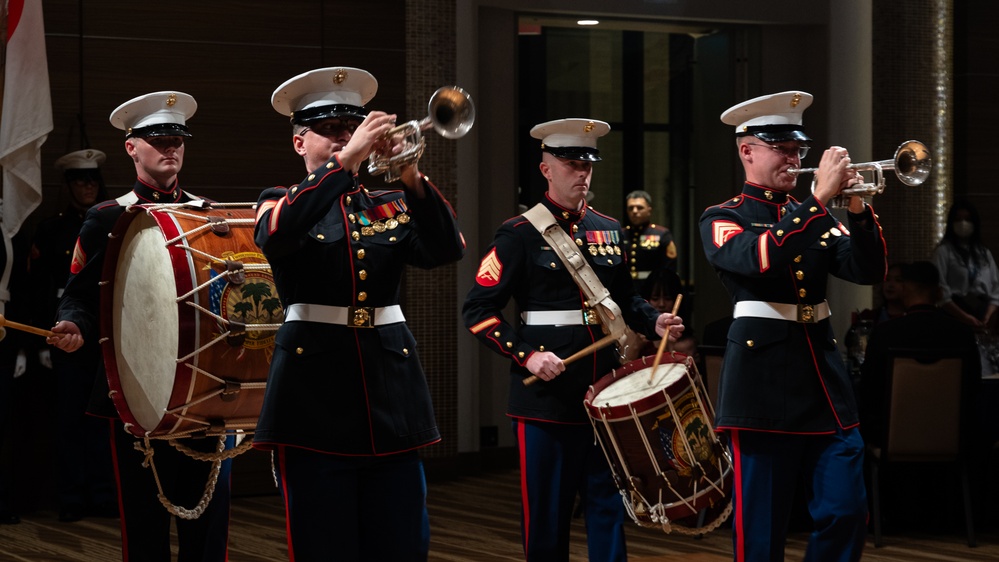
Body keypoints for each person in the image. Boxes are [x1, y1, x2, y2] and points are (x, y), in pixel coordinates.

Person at [252, 67, 464, 560]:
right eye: (329, 132)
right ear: (300, 143)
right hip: (314, 399)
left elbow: (445, 248)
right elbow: (277, 236)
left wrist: (410, 173)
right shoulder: (277, 202)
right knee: (324, 544)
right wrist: (345, 162)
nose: (344, 138)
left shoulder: (387, 202)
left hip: (391, 393)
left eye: (351, 130)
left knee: (403, 542)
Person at [463, 118, 684, 561]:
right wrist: (526, 358)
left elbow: (624, 298)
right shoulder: (519, 234)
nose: (582, 173)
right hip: (546, 398)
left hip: (604, 393)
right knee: (547, 517)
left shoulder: (609, 228)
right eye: (570, 164)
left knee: (608, 509)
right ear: (546, 169)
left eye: (587, 164)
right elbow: (477, 311)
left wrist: (653, 321)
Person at [699, 91, 887, 561]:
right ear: (747, 151)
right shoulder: (723, 217)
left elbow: (868, 272)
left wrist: (859, 210)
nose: (793, 158)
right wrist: (819, 199)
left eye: (798, 149)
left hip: (823, 379)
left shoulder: (816, 216)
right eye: (781, 149)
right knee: (761, 531)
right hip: (760, 383)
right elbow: (760, 258)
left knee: (846, 510)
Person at [47, 92, 233, 561]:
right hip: (135, 391)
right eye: (159, 140)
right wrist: (72, 322)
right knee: (145, 528)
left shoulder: (207, 214)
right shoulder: (107, 218)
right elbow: (80, 295)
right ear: (132, 147)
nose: (171, 148)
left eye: (178, 140)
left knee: (208, 529)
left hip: (204, 389)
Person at [29, 149, 115, 522]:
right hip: (63, 331)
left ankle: (103, 494)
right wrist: (36, 343)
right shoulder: (52, 229)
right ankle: (72, 496)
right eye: (80, 181)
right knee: (68, 421)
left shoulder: (114, 222)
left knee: (103, 419)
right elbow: (39, 288)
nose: (87, 187)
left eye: (93, 180)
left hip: (104, 330)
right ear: (68, 186)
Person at [859, 261, 980, 446]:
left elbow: (869, 390)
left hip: (895, 439)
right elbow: (973, 388)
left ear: (905, 291)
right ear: (939, 293)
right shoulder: (962, 333)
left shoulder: (885, 333)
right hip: (950, 439)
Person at [932, 198, 999, 376]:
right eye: (959, 219)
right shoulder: (944, 251)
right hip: (955, 310)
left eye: (968, 219)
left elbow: (995, 288)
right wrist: (965, 317)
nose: (963, 223)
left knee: (985, 362)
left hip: (982, 312)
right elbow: (941, 290)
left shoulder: (983, 253)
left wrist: (987, 317)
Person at [622, 189, 677, 289]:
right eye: (631, 208)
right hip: (625, 288)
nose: (634, 211)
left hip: (651, 288)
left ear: (649, 210)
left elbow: (669, 268)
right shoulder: (621, 234)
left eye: (639, 208)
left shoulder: (661, 234)